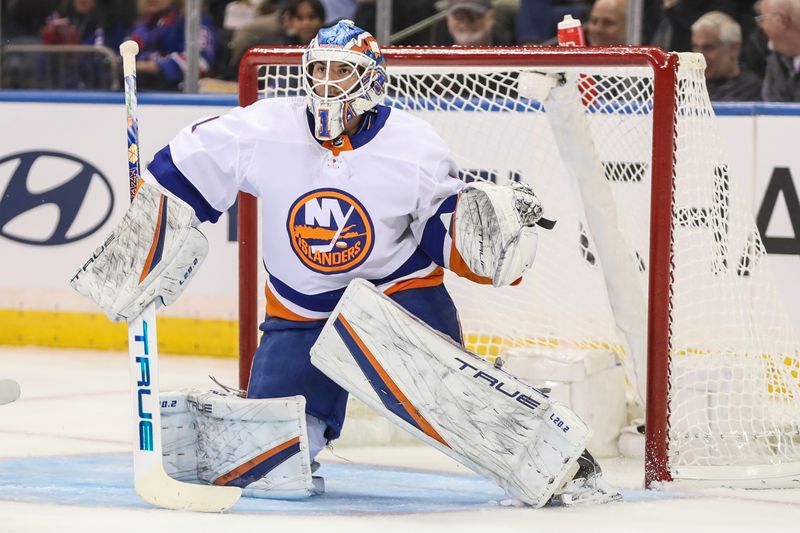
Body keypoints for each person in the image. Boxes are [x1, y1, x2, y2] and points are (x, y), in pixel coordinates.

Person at [71, 19, 618, 505]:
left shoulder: (414, 145)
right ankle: (304, 428)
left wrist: (489, 235)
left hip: (395, 293)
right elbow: (185, 170)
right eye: (320, 72)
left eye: (343, 74)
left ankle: (562, 460)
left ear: (371, 82)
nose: (327, 86)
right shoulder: (265, 128)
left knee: (451, 401)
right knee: (270, 459)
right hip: (299, 301)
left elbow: (442, 238)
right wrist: (145, 234)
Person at [128, 0, 217, 90]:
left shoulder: (195, 19)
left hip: (181, 94)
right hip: (141, 90)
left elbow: (199, 60)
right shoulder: (144, 23)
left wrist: (156, 66)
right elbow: (126, 57)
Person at [691, 11, 762, 101]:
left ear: (733, 49)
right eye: (696, 47)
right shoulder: (690, 88)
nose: (699, 57)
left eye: (708, 47)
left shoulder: (753, 91)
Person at [758, 0, 800, 101]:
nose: (761, 27)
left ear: (782, 20)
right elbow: (770, 112)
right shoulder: (776, 64)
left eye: (763, 19)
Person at [441, 0, 516, 46]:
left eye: (474, 14)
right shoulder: (435, 55)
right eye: (459, 15)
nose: (466, 21)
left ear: (491, 17)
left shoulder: (514, 50)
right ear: (448, 18)